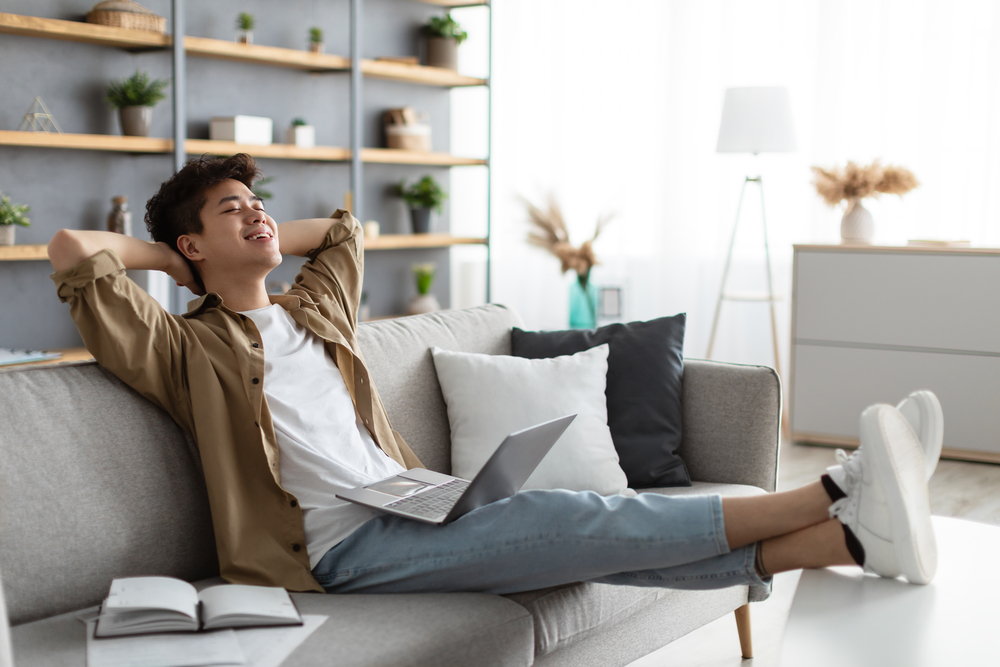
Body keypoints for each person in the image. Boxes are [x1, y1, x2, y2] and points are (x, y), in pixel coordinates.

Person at [48, 153, 940, 598]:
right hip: (336, 551)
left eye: (259, 204)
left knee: (577, 542)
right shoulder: (183, 347)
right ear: (193, 244)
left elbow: (350, 231)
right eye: (231, 211)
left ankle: (857, 544)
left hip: (416, 499)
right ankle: (837, 488)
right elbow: (73, 253)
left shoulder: (311, 311)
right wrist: (170, 257)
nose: (259, 217)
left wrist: (244, 223)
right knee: (566, 514)